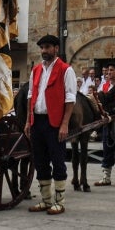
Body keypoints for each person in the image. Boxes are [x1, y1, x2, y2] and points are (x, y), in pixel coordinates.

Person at [25, 34, 77, 215]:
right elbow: (31, 96)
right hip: (37, 121)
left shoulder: (66, 69)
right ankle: (46, 200)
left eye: (47, 47)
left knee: (57, 160)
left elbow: (70, 98)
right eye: (42, 48)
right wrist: (28, 121)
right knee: (40, 161)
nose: (44, 51)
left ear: (56, 48)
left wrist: (64, 124)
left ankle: (59, 201)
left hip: (54, 122)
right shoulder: (36, 70)